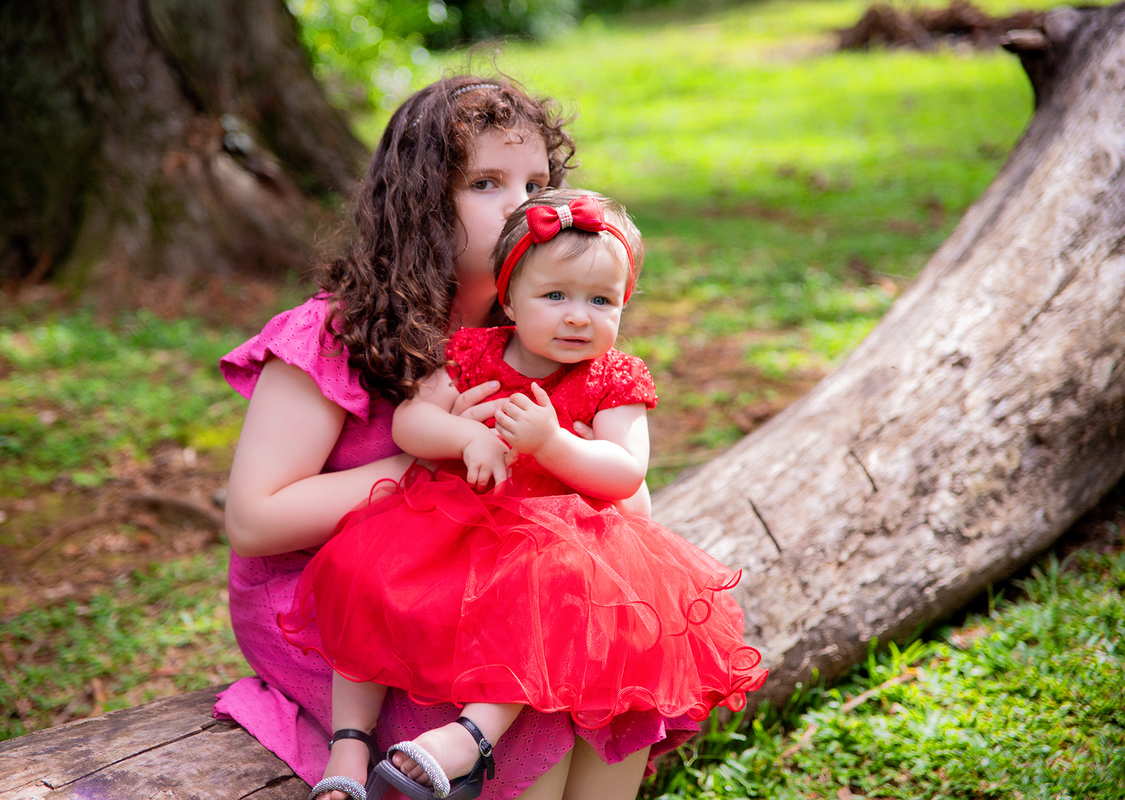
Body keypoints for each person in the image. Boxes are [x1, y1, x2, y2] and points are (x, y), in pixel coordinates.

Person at [215, 77, 703, 800]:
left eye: (537, 181)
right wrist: (425, 463)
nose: (521, 203)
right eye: (485, 182)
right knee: (534, 714)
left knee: (613, 660)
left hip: (497, 576)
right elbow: (254, 520)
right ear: (421, 203)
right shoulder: (336, 332)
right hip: (343, 599)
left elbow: (627, 500)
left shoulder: (546, 335)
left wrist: (568, 471)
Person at [280, 190, 768, 800]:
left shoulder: (613, 377)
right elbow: (412, 424)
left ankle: (469, 736)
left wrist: (554, 445)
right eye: (555, 295)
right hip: (460, 526)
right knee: (365, 573)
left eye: (601, 301)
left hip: (565, 546)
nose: (577, 316)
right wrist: (465, 439)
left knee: (544, 598)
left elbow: (625, 472)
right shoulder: (471, 352)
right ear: (509, 299)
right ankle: (349, 742)